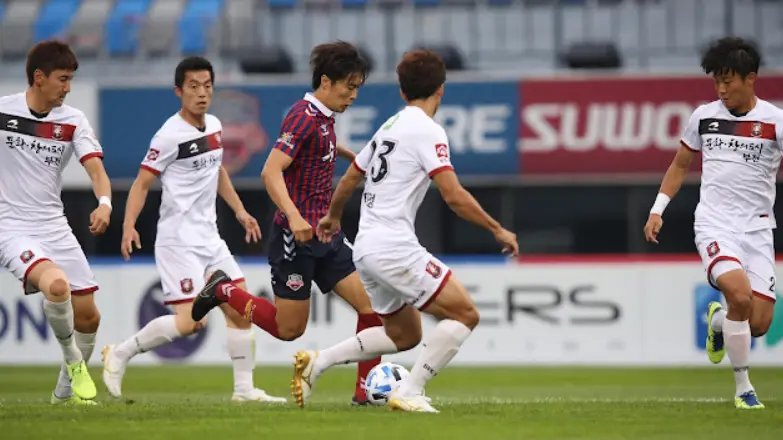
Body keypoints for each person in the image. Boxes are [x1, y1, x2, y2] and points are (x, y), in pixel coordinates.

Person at [289, 49, 519, 413]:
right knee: (465, 314)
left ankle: (319, 361)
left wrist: (333, 216)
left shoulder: (390, 126)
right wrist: (497, 229)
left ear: (402, 92)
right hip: (393, 246)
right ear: (440, 90)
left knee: (405, 335)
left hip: (365, 247)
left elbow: (351, 176)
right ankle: (410, 391)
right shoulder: (428, 130)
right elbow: (454, 196)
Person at [191, 41, 383, 406]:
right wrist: (294, 217)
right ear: (326, 81)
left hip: (327, 234)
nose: (354, 95)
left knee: (372, 307)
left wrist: (348, 154)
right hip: (294, 236)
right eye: (349, 86)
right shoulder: (302, 115)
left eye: (358, 87)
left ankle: (365, 392)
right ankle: (223, 291)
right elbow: (270, 171)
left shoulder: (324, 118)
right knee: (288, 329)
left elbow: (319, 147)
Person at [101, 56, 286, 404]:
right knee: (189, 324)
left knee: (240, 308)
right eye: (193, 87)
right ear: (179, 91)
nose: (202, 93)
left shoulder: (215, 125)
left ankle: (244, 390)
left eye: (207, 86)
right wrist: (128, 226)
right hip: (178, 242)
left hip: (209, 238)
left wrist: (241, 211)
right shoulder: (169, 135)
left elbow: (217, 172)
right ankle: (120, 354)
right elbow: (141, 184)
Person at [644, 37, 782, 410]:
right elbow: (681, 165)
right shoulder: (704, 116)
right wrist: (658, 208)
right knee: (739, 295)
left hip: (757, 229)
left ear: (750, 78)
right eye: (716, 81)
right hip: (715, 224)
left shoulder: (774, 121)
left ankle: (718, 322)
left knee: (758, 323)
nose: (721, 89)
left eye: (728, 81)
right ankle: (744, 390)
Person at [0, 40, 111, 405]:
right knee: (57, 286)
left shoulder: (73, 120)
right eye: (63, 79)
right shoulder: (4, 113)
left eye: (71, 80)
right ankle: (75, 364)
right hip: (11, 225)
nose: (68, 87)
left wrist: (105, 202)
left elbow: (95, 168)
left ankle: (64, 395)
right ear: (39, 77)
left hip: (54, 225)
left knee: (89, 318)